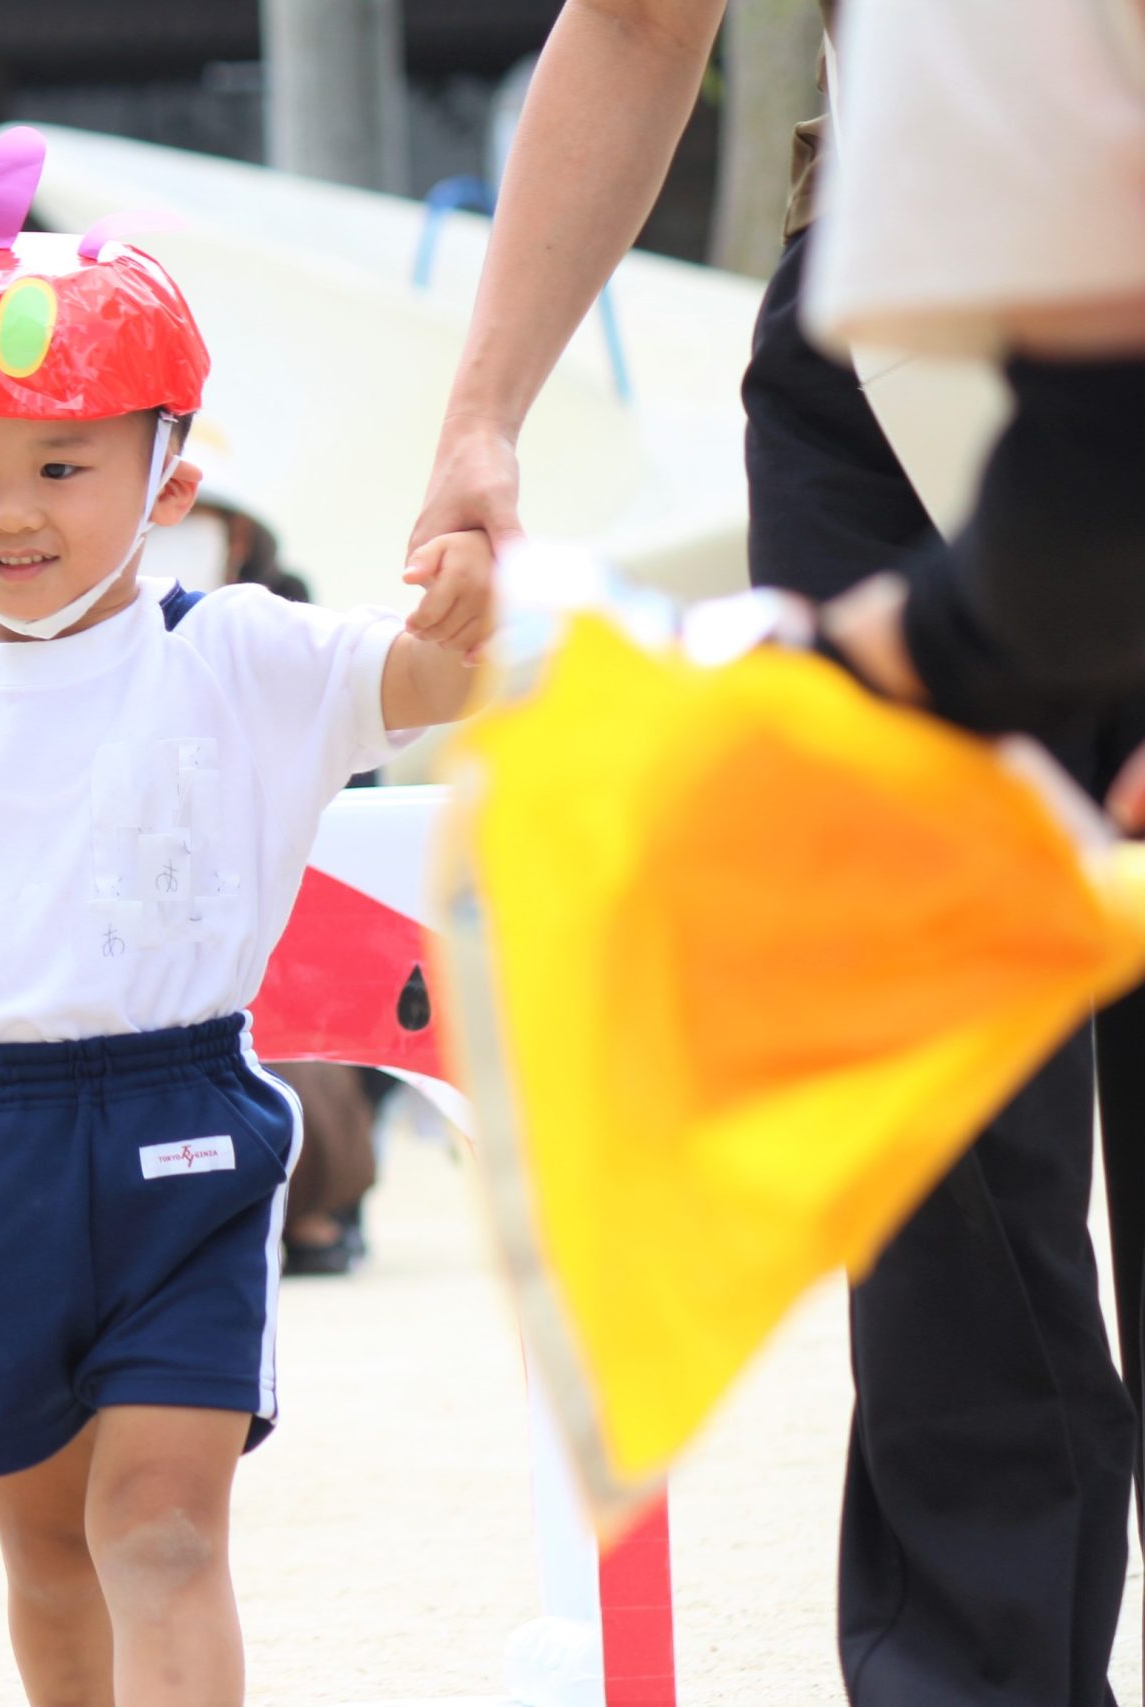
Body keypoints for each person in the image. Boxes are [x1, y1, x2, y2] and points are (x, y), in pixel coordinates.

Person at [0, 130, 495, 1704]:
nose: (9, 509)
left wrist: (469, 599)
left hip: (187, 1118)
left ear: (170, 478)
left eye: (61, 465)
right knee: (48, 1552)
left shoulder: (239, 653)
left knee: (161, 1528)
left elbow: (420, 679)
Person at [407, 6, 1140, 1699]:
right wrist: (484, 410)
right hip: (903, 358)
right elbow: (647, 15)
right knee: (934, 1125)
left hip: (1089, 318)